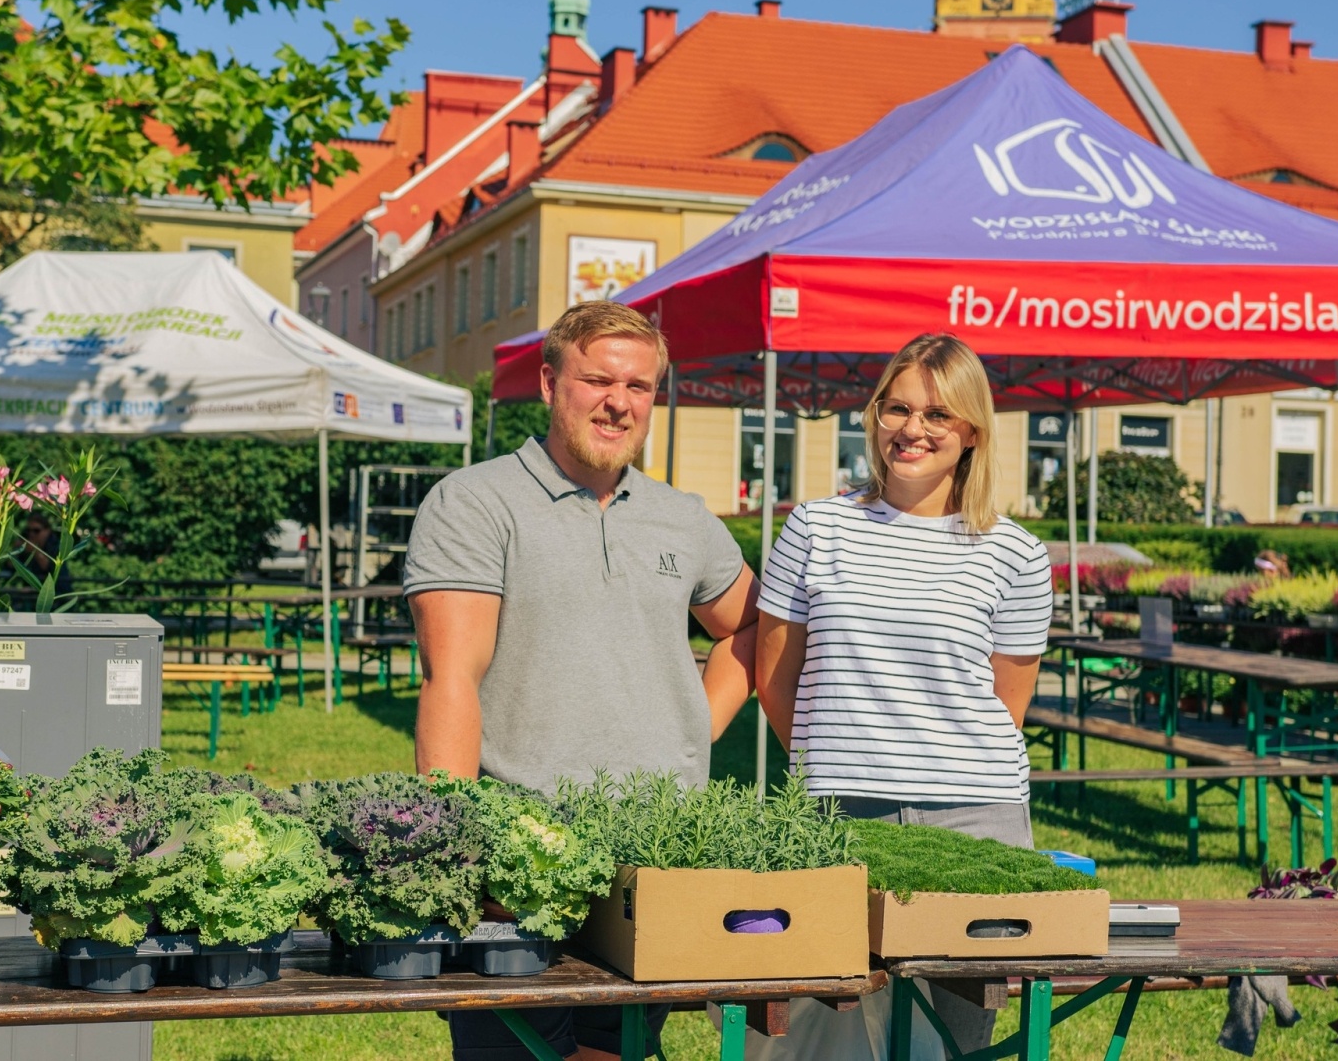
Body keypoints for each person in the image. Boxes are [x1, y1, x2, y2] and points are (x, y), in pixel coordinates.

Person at [404, 300, 760, 1061]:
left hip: (654, 853)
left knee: (617, 1048)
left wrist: (696, 723)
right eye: (597, 379)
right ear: (548, 383)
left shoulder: (682, 518)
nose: (618, 402)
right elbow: (451, 679)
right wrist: (455, 848)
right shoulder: (476, 502)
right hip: (520, 858)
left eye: (638, 386)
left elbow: (752, 628)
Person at [755, 334, 1052, 1055]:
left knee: (952, 1041)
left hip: (974, 823)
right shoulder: (816, 527)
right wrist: (841, 762)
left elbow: (1006, 706)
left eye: (938, 415)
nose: (912, 429)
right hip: (838, 817)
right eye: (898, 409)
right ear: (876, 415)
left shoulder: (1016, 553)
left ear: (972, 431)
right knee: (822, 1038)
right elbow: (774, 677)